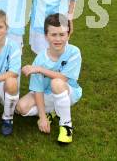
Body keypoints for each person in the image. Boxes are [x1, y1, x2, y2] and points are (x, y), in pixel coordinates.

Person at [16, 13, 82, 144]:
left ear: (68, 35)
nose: (58, 39)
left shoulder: (74, 52)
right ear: (46, 36)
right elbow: (38, 90)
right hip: (47, 94)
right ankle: (52, 112)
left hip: (69, 92)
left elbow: (63, 78)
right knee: (21, 108)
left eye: (62, 34)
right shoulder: (40, 58)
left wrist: (39, 69)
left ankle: (66, 126)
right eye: (53, 34)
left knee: (57, 83)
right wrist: (41, 117)